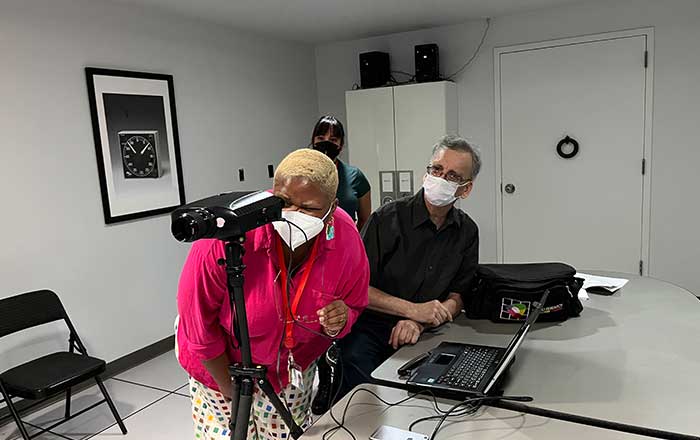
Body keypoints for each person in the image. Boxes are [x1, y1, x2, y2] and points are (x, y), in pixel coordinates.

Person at [175, 149, 369, 440]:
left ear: (332, 208)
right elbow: (198, 326)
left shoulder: (344, 235)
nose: (294, 215)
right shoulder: (228, 238)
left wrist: (341, 318)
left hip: (291, 368)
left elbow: (355, 301)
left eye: (310, 208)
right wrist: (233, 393)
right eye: (285, 202)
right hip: (219, 366)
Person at [338, 134, 481, 398]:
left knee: (444, 396)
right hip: (371, 329)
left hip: (428, 330)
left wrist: (421, 322)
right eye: (437, 169)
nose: (440, 178)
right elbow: (356, 289)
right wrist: (413, 311)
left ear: (466, 189)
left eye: (452, 176)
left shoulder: (467, 231)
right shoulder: (386, 220)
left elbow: (458, 296)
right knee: (365, 400)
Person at [309, 115, 372, 414]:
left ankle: (343, 380)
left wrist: (355, 253)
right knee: (318, 321)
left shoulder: (355, 177)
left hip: (344, 261)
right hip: (312, 259)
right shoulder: (305, 174)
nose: (327, 143)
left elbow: (367, 220)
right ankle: (324, 382)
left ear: (342, 145)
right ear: (313, 139)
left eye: (334, 139)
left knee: (343, 319)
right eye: (322, 137)